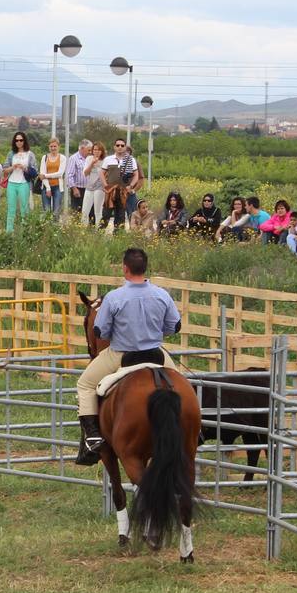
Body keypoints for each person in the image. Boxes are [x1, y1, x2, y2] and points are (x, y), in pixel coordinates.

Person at [75, 247, 181, 465]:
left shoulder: (114, 298)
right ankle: (195, 428)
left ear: (125, 268)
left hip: (121, 354)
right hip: (156, 354)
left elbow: (101, 331)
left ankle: (93, 437)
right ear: (145, 268)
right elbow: (174, 326)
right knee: (182, 385)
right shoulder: (162, 295)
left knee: (84, 385)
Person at [4, 131, 36, 232]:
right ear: (14, 141)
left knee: (24, 208)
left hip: (24, 183)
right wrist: (12, 167)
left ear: (24, 141)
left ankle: (25, 231)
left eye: (21, 140)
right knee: (11, 208)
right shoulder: (11, 154)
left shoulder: (30, 154)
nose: (19, 142)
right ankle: (9, 231)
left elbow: (35, 171)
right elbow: (5, 169)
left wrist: (24, 168)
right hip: (12, 183)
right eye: (16, 140)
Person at [100, 139, 133, 232]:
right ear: (114, 147)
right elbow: (101, 173)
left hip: (123, 192)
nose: (120, 147)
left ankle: (118, 238)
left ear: (125, 147)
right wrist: (106, 185)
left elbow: (136, 174)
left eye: (122, 145)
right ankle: (98, 236)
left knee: (121, 216)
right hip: (110, 191)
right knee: (106, 215)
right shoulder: (108, 159)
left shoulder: (130, 160)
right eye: (118, 145)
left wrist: (131, 186)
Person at [80, 142, 107, 228]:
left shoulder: (105, 160)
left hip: (100, 186)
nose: (96, 151)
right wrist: (92, 164)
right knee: (85, 210)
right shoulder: (89, 158)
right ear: (92, 151)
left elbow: (105, 175)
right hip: (89, 186)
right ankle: (83, 229)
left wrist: (98, 166)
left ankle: (98, 230)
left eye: (99, 150)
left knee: (97, 211)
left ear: (102, 151)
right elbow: (85, 173)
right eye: (95, 149)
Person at [64, 139, 91, 220]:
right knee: (77, 211)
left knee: (89, 212)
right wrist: (74, 189)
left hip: (89, 189)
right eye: (88, 150)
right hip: (78, 189)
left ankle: (88, 229)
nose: (90, 152)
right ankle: (76, 230)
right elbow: (69, 175)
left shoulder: (90, 159)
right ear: (82, 148)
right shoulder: (74, 158)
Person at [38, 138, 65, 217]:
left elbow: (60, 173)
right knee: (46, 211)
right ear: (48, 147)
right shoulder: (44, 157)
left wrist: (46, 175)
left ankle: (55, 228)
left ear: (58, 146)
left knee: (56, 212)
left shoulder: (62, 158)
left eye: (55, 146)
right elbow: (42, 173)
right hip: (46, 186)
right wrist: (48, 188)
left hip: (58, 187)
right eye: (51, 146)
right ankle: (47, 228)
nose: (53, 148)